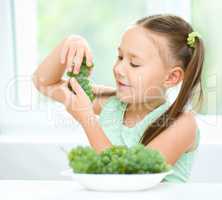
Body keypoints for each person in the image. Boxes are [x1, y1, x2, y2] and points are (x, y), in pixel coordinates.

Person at [32, 14, 204, 183]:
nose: (118, 69)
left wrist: (88, 120)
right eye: (120, 57)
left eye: (134, 63)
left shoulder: (182, 124)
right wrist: (70, 43)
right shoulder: (111, 103)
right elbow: (44, 83)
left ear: (171, 77)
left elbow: (131, 178)